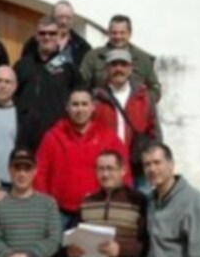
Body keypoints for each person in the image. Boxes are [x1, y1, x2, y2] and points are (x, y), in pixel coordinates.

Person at [34, 88, 128, 257]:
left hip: (95, 214)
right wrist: (46, 210)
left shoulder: (107, 137)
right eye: (74, 104)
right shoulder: (53, 137)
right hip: (62, 214)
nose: (79, 109)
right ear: (67, 107)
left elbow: (123, 174)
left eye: (84, 104)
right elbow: (41, 175)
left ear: (93, 108)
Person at [93, 48, 161, 184]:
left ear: (130, 69)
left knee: (141, 204)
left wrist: (153, 161)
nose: (119, 69)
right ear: (107, 69)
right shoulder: (96, 100)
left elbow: (154, 132)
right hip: (107, 169)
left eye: (123, 64)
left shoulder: (144, 98)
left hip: (138, 168)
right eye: (114, 64)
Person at [15, 16, 83, 150]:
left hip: (57, 135)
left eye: (52, 33)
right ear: (36, 36)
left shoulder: (68, 66)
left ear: (59, 36)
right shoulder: (23, 65)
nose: (47, 37)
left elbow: (81, 96)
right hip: (24, 136)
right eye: (42, 33)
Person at [80, 14, 161, 102]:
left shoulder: (143, 59)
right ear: (108, 33)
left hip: (133, 113)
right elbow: (80, 85)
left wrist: (142, 104)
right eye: (114, 33)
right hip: (102, 110)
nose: (118, 37)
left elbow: (155, 88)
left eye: (122, 33)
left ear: (129, 33)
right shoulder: (93, 57)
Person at [21, 0, 92, 67]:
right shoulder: (34, 43)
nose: (64, 22)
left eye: (68, 18)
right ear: (52, 17)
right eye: (61, 17)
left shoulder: (82, 47)